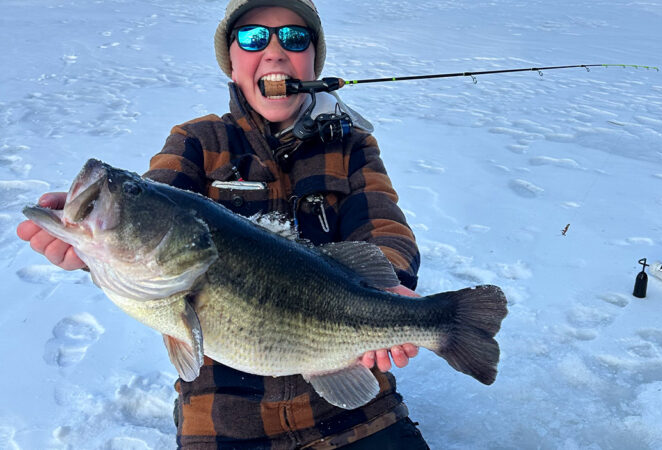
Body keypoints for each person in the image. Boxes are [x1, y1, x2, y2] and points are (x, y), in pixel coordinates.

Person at [17, 0, 430, 448]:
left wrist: (390, 291)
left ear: (314, 58)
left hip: (352, 414)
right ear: (232, 64)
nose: (274, 52)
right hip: (223, 415)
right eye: (253, 38)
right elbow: (158, 208)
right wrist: (90, 250)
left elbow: (383, 226)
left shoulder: (351, 145)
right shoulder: (197, 140)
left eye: (294, 37)